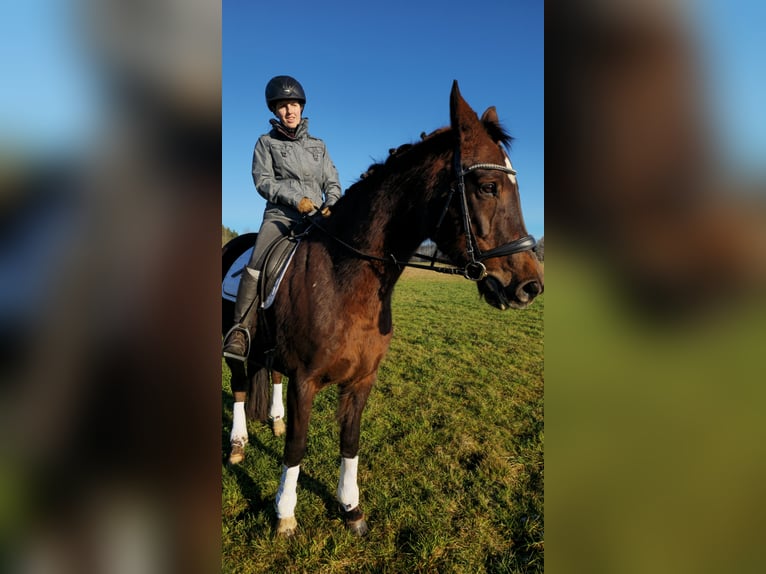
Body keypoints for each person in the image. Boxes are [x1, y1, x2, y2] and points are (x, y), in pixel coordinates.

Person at [223, 75, 342, 362]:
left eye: (294, 105)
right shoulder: (265, 143)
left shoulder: (319, 146)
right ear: (275, 111)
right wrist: (295, 200)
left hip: (316, 219)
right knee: (257, 261)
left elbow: (333, 182)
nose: (289, 111)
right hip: (280, 217)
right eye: (282, 106)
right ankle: (240, 330)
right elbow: (263, 181)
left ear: (302, 107)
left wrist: (332, 203)